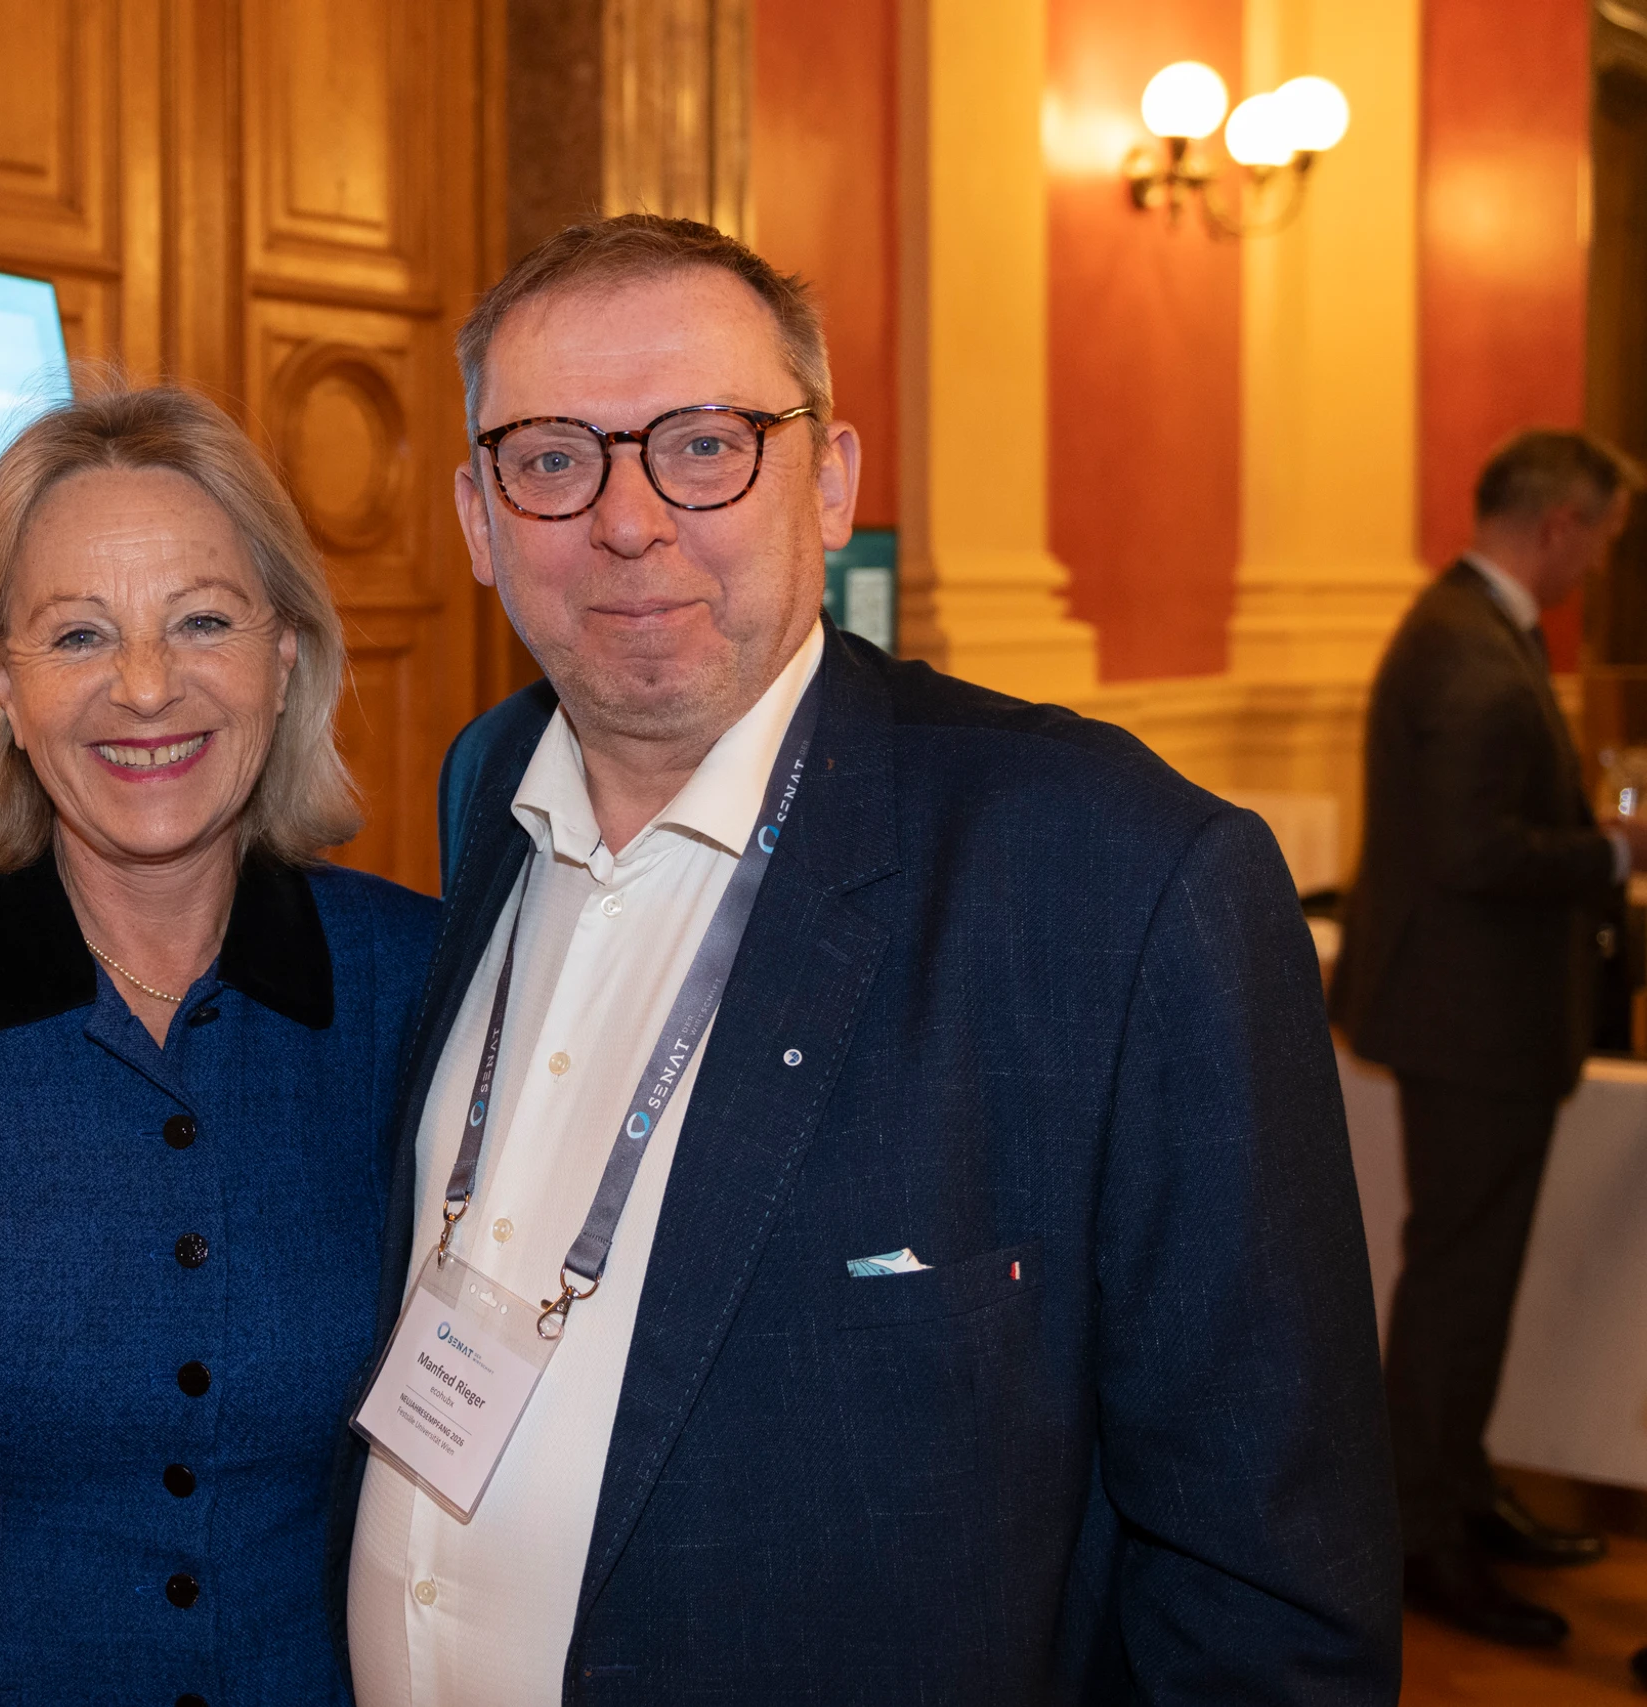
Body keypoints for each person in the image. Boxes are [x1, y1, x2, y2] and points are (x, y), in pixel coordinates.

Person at [343, 215, 1401, 1702]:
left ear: (830, 481)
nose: (630, 520)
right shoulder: (485, 784)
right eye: (555, 458)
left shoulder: (1114, 878)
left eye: (704, 446)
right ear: (477, 517)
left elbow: (1270, 1592)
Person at [0, 385, 440, 1706]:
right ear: (4, 681)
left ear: (286, 653)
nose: (148, 686)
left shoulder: (417, 982)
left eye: (203, 620)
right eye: (78, 634)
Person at [1333, 429, 1644, 1648]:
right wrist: (1613, 854)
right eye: (1602, 536)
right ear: (1560, 523)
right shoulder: (1466, 644)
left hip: (1472, 1019)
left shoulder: (1470, 623)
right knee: (1458, 1284)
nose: (1599, 562)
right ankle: (1423, 1537)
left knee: (1465, 1276)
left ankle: (1458, 1492)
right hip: (1470, 1024)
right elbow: (1474, 850)